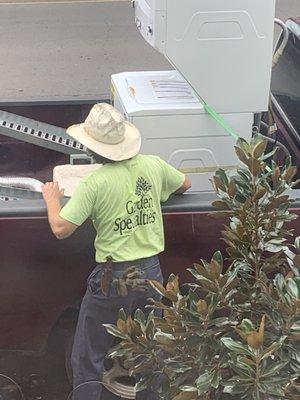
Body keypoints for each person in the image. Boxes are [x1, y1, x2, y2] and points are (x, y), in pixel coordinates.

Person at [42, 103, 191, 400]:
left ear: (92, 150)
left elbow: (61, 228)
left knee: (89, 356)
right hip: (151, 274)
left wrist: (51, 198)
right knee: (151, 350)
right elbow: (185, 184)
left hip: (113, 278)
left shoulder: (94, 184)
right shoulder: (154, 165)